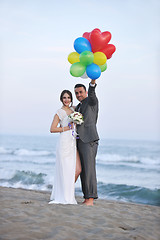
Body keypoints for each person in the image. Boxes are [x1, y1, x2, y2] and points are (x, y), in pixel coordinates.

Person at [49, 90, 81, 204]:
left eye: (68, 97)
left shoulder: (73, 110)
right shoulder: (60, 112)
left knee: (75, 169)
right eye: (64, 98)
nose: (66, 100)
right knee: (65, 169)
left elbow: (83, 105)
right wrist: (66, 128)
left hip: (72, 142)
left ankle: (67, 193)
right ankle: (63, 196)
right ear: (61, 99)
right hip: (64, 142)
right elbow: (52, 129)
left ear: (71, 98)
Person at [74, 79, 99, 206]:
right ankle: (86, 197)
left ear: (85, 92)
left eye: (80, 92)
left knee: (89, 169)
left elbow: (92, 93)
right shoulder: (79, 106)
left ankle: (90, 199)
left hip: (89, 140)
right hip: (79, 141)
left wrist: (92, 83)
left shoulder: (91, 101)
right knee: (83, 170)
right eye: (76, 93)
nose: (78, 95)